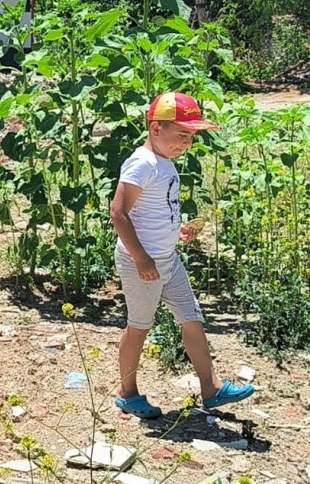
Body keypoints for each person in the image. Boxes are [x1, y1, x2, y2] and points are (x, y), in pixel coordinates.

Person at [110, 92, 255, 419]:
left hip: (167, 259)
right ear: (156, 129)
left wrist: (177, 233)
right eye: (181, 135)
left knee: (191, 318)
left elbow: (153, 213)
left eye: (191, 137)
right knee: (139, 327)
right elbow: (119, 214)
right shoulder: (143, 163)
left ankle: (211, 389)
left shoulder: (165, 163)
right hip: (142, 262)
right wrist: (142, 258)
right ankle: (126, 392)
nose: (186, 143)